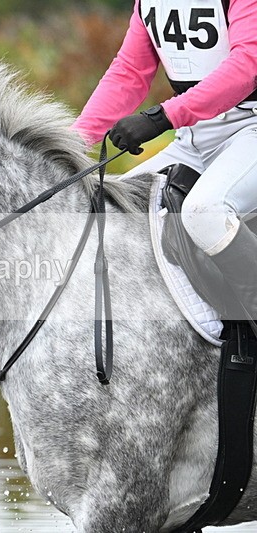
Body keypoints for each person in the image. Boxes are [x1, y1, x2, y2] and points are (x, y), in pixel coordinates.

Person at [72, 0, 257, 322]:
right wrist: (70, 145)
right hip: (196, 136)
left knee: (206, 213)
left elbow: (247, 64)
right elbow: (129, 72)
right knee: (110, 212)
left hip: (251, 128)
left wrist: (162, 117)